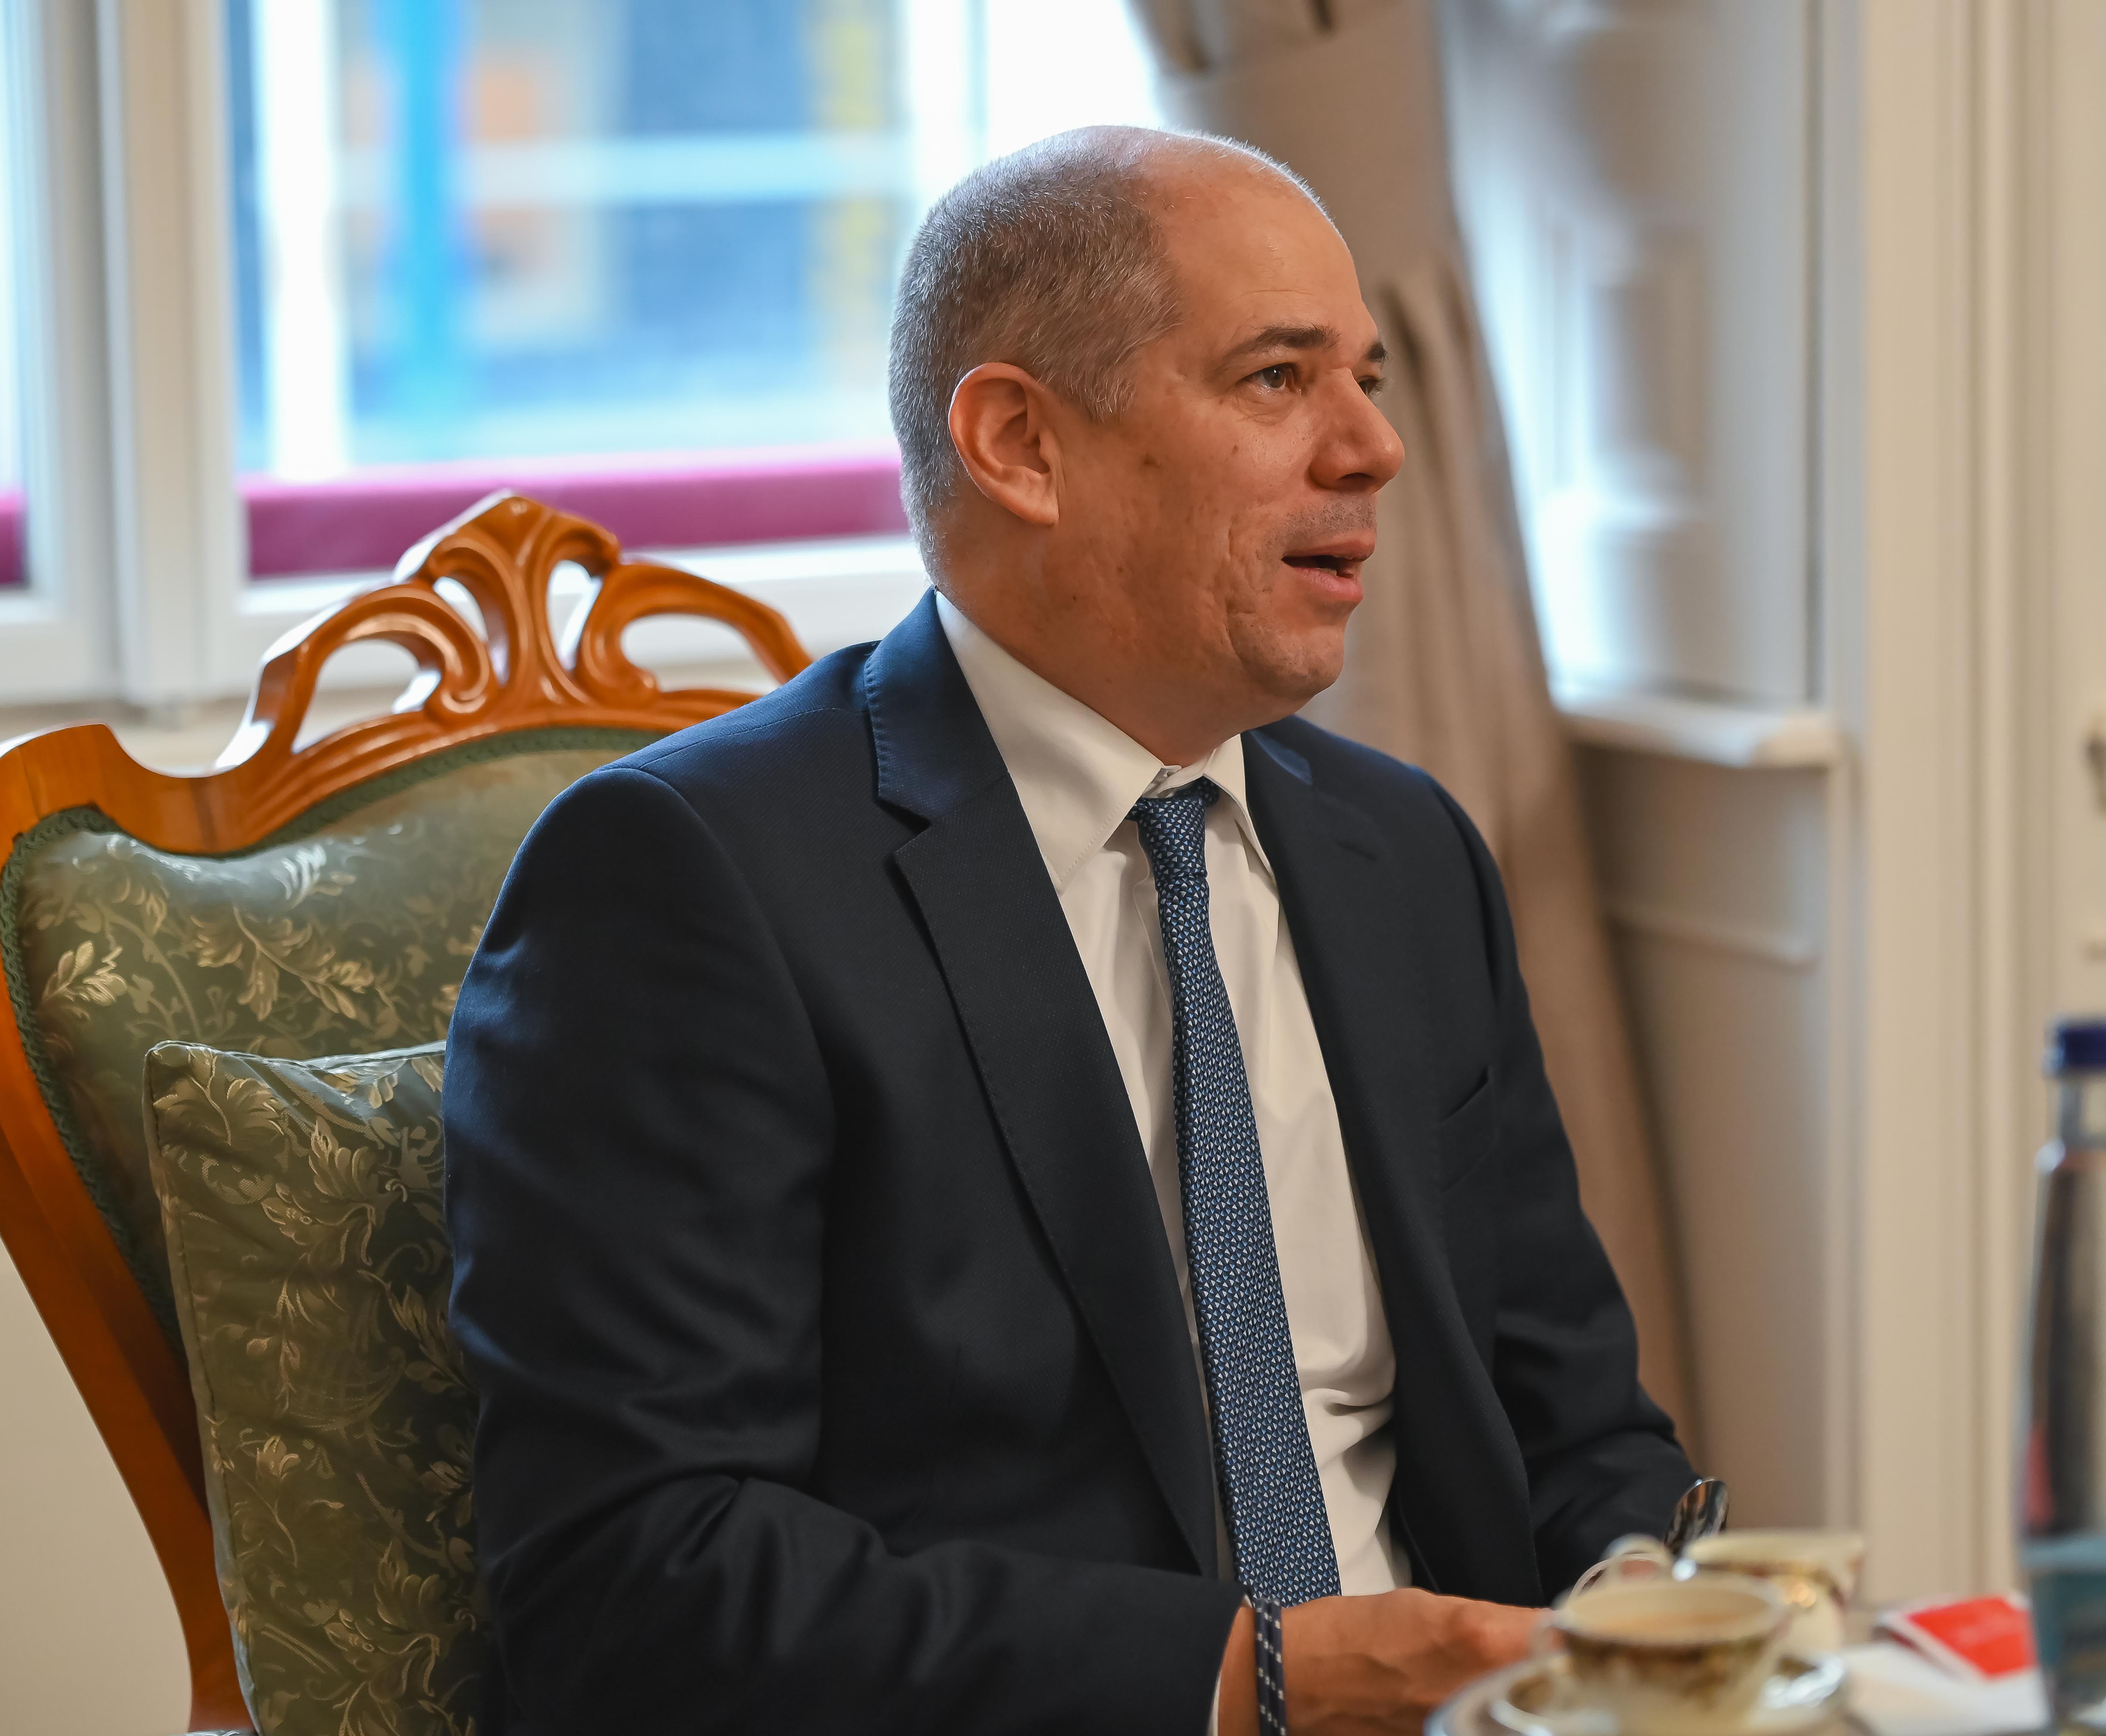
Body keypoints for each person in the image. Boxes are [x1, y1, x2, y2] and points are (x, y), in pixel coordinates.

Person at [444, 124, 1695, 1735]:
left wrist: (1642, 1609)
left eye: (1369, 379)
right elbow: (637, 1581)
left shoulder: (1404, 852)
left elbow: (1577, 1419)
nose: (1376, 447)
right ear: (1021, 445)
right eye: (1276, 379)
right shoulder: (687, 881)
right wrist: (1259, 1684)